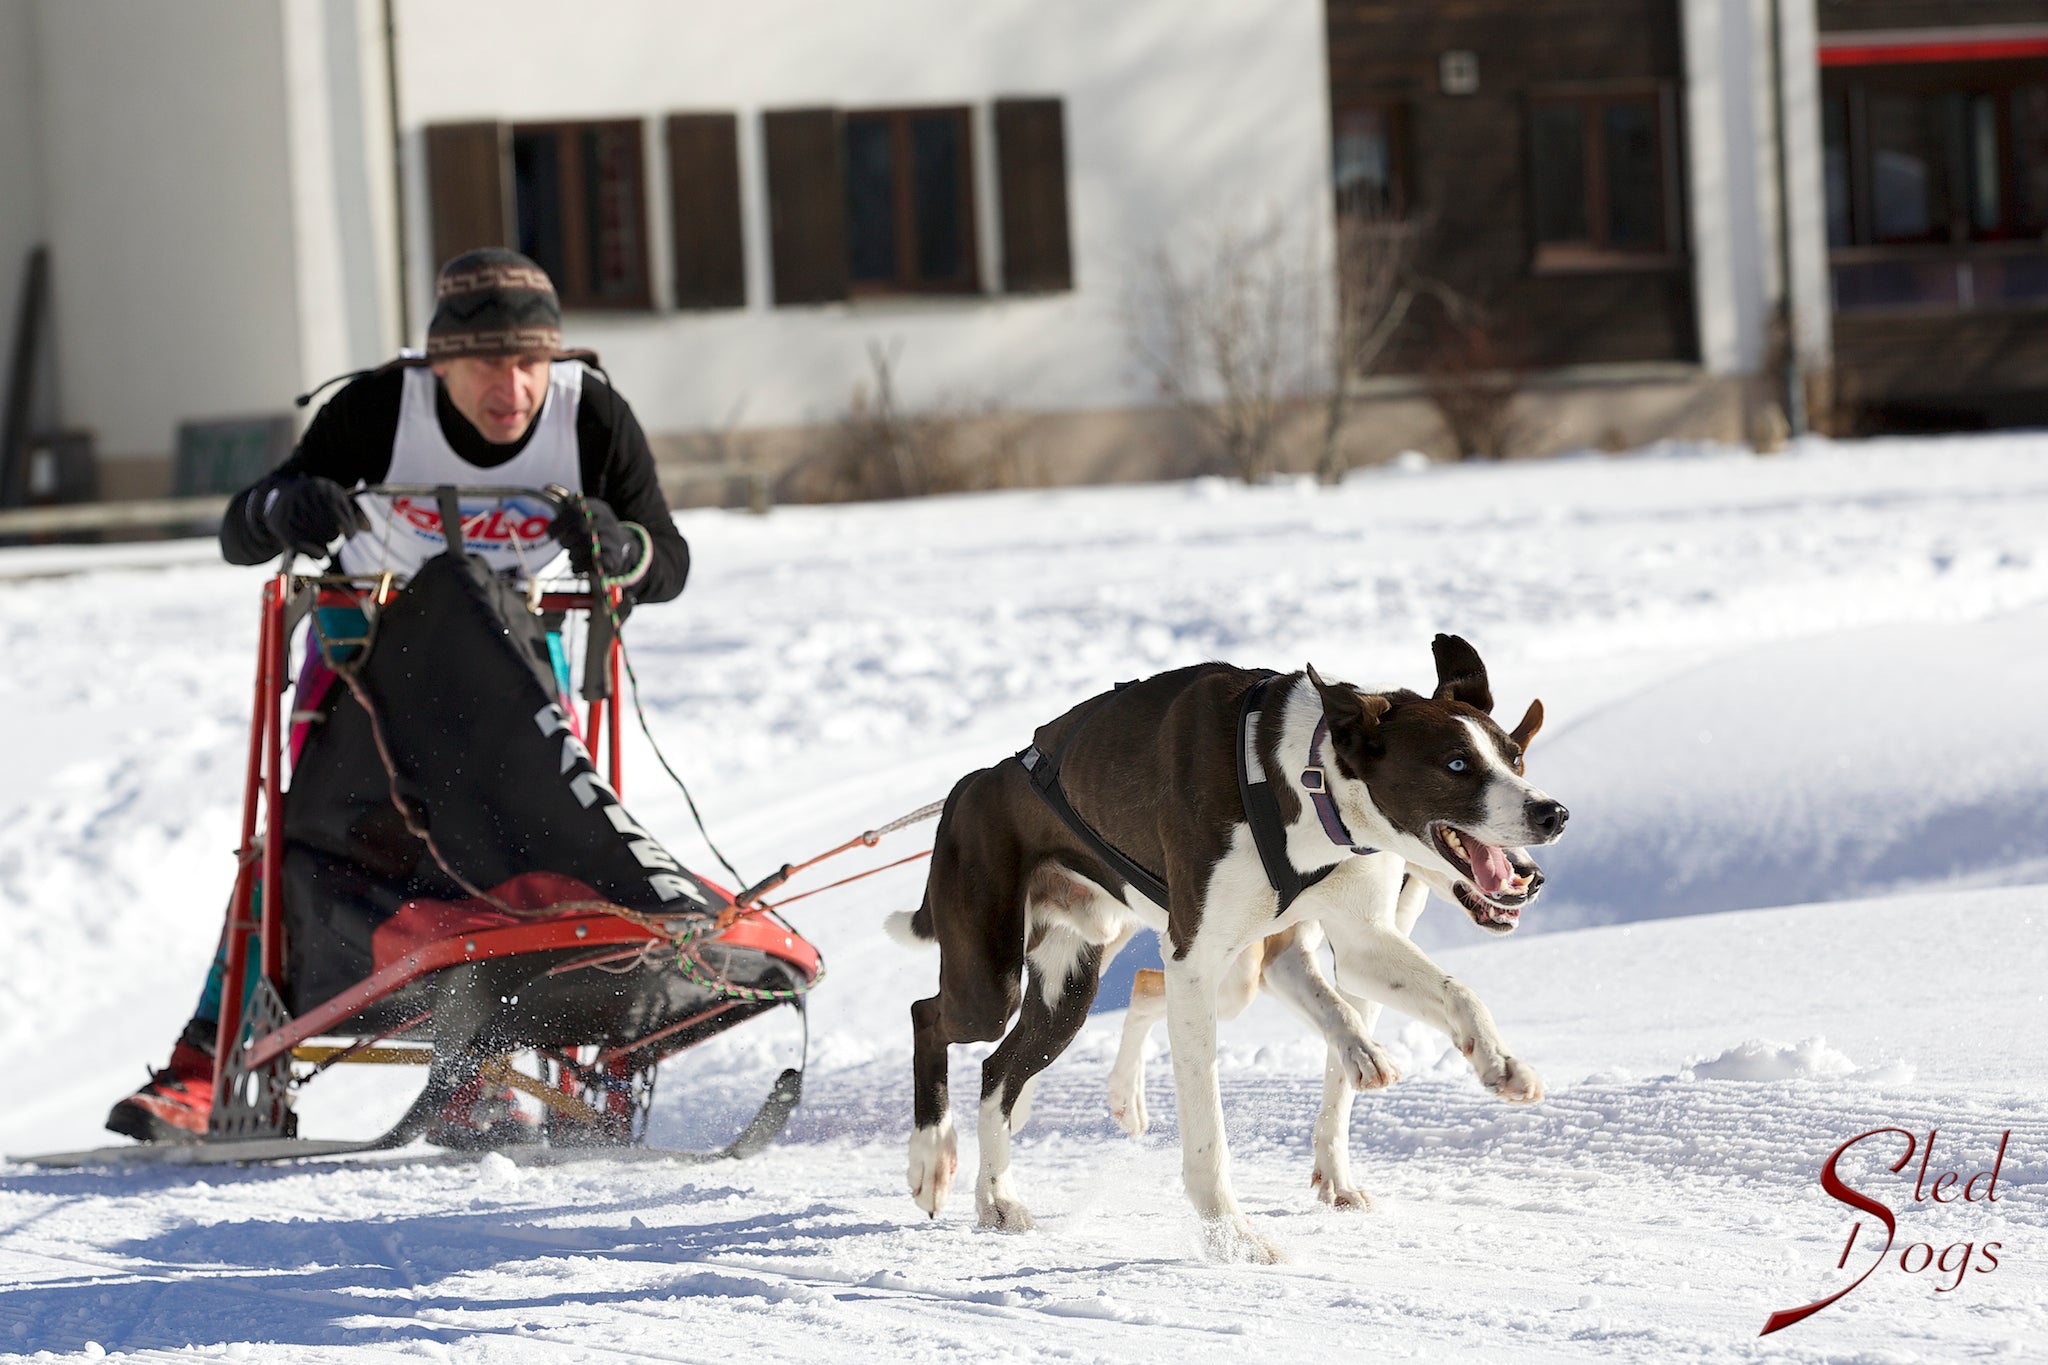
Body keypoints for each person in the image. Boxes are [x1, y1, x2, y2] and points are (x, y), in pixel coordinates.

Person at [106, 248, 690, 1142]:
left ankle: (480, 1064)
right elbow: (241, 528)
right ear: (439, 363)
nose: (516, 384)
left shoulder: (589, 416)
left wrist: (619, 544)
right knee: (296, 848)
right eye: (491, 360)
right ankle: (201, 1066)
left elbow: (668, 561)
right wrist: (286, 508)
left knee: (518, 856)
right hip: (366, 669)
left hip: (512, 676)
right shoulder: (383, 408)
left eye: (532, 359)